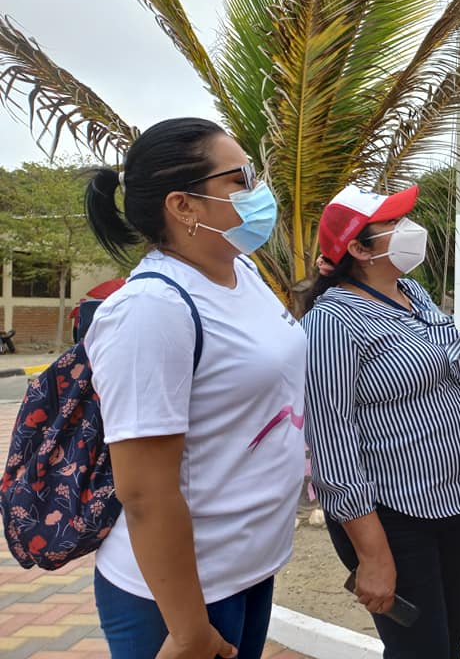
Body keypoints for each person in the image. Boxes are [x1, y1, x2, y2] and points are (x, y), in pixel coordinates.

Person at [84, 118, 307, 659]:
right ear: (183, 206)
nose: (259, 192)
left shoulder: (242, 272)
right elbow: (144, 491)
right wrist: (187, 631)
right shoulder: (151, 309)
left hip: (244, 568)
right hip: (181, 597)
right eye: (240, 179)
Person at [302, 183, 460, 659]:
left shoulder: (410, 293)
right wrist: (372, 555)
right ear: (360, 250)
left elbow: (453, 360)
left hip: (454, 500)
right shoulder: (331, 324)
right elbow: (332, 445)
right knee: (420, 650)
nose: (409, 229)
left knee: (448, 642)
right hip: (395, 515)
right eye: (393, 223)